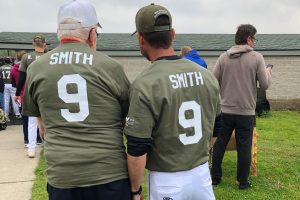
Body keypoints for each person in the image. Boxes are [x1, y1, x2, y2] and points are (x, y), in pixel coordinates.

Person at [22, 0, 131, 199]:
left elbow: (42, 127)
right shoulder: (111, 67)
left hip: (62, 175)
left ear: (58, 32)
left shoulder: (36, 69)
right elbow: (127, 120)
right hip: (108, 173)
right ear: (91, 34)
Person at [125, 3, 220, 200]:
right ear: (173, 34)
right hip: (201, 175)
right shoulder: (206, 75)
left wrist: (135, 190)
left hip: (166, 179)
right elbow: (217, 126)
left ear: (140, 39)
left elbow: (137, 146)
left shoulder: (145, 84)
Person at [211, 24, 272, 189]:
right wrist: (267, 73)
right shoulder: (257, 58)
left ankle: (215, 179)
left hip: (225, 110)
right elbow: (265, 85)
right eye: (254, 38)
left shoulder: (223, 57)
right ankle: (242, 182)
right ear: (248, 38)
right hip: (246, 112)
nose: (254, 42)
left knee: (219, 144)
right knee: (244, 147)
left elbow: (213, 81)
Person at [14, 35, 45, 157]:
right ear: (44, 44)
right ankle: (47, 146)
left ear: (33, 44)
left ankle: (31, 149)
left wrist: (17, 94)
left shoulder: (27, 57)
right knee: (47, 120)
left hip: (31, 90)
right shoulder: (49, 56)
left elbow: (21, 78)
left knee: (32, 122)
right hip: (45, 90)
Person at [11, 50, 27, 145]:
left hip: (20, 95)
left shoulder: (13, 69)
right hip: (31, 94)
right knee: (35, 118)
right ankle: (37, 138)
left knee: (25, 119)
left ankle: (26, 139)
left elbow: (13, 84)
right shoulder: (30, 67)